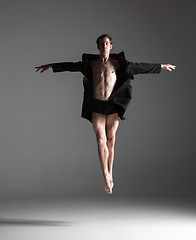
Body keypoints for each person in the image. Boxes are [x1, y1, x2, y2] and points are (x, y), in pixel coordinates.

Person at [35, 34, 176, 194]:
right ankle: (106, 176)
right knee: (101, 140)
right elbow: (71, 66)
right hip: (96, 104)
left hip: (113, 105)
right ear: (98, 46)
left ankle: (111, 172)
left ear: (111, 46)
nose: (104, 46)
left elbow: (140, 67)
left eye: (107, 43)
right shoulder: (91, 64)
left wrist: (160, 66)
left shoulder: (119, 64)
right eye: (101, 44)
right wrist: (51, 66)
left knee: (111, 140)